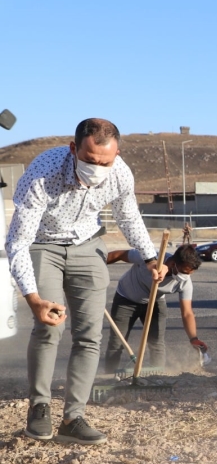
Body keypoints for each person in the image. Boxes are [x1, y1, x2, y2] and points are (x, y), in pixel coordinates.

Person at [5, 118, 165, 445]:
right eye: (90, 161)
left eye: (105, 161)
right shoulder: (41, 175)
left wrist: (149, 257)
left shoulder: (119, 173)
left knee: (89, 334)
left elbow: (128, 214)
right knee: (50, 326)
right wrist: (33, 298)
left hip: (87, 244)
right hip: (43, 244)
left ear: (116, 153)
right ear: (74, 149)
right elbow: (18, 242)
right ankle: (39, 409)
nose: (98, 169)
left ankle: (73, 417)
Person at [104, 244, 207, 374]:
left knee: (156, 342)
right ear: (174, 263)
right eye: (184, 272)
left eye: (190, 273)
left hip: (155, 302)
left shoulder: (184, 282)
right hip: (126, 299)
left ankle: (156, 375)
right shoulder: (149, 257)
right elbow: (120, 254)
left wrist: (193, 338)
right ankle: (109, 375)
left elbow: (187, 313)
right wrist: (96, 266)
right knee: (117, 342)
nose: (186, 276)